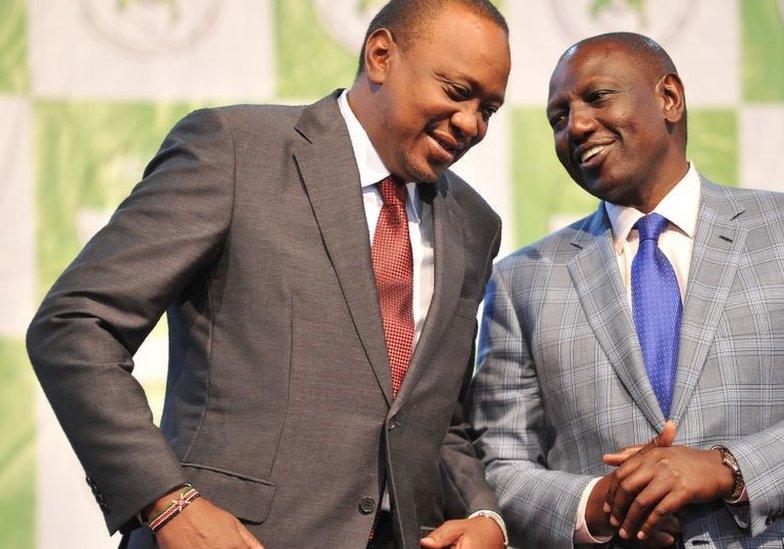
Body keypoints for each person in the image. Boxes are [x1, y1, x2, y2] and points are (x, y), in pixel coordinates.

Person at [26, 1, 511, 547]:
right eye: (455, 91)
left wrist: (484, 515)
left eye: (489, 109)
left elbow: (438, 415)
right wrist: (165, 501)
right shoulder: (235, 149)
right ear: (380, 55)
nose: (472, 123)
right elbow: (74, 325)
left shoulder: (473, 223)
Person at [466, 32, 784, 548]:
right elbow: (497, 461)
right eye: (558, 117)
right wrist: (596, 503)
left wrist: (727, 468)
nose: (578, 125)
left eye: (597, 97)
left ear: (669, 98)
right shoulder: (524, 277)